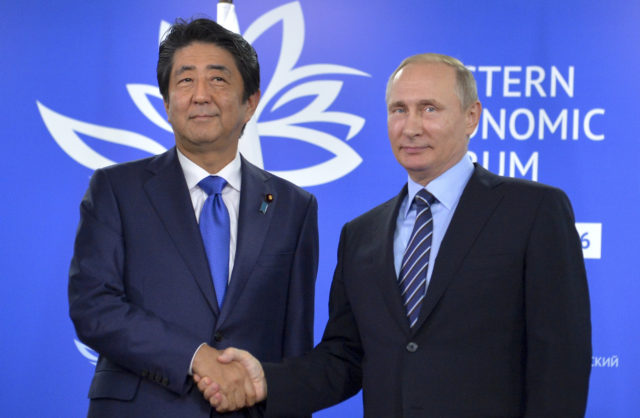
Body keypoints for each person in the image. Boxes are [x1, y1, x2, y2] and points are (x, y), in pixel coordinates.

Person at [197, 53, 592, 417]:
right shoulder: (361, 235)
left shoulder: (534, 211)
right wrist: (266, 380)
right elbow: (346, 358)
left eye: (429, 109)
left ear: (472, 117)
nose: (411, 127)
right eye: (398, 110)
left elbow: (560, 362)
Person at [68, 18, 318, 417]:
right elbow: (93, 306)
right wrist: (195, 357)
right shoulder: (116, 190)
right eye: (185, 81)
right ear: (167, 103)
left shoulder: (293, 206)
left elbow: (295, 342)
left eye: (218, 80)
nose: (200, 95)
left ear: (250, 102)